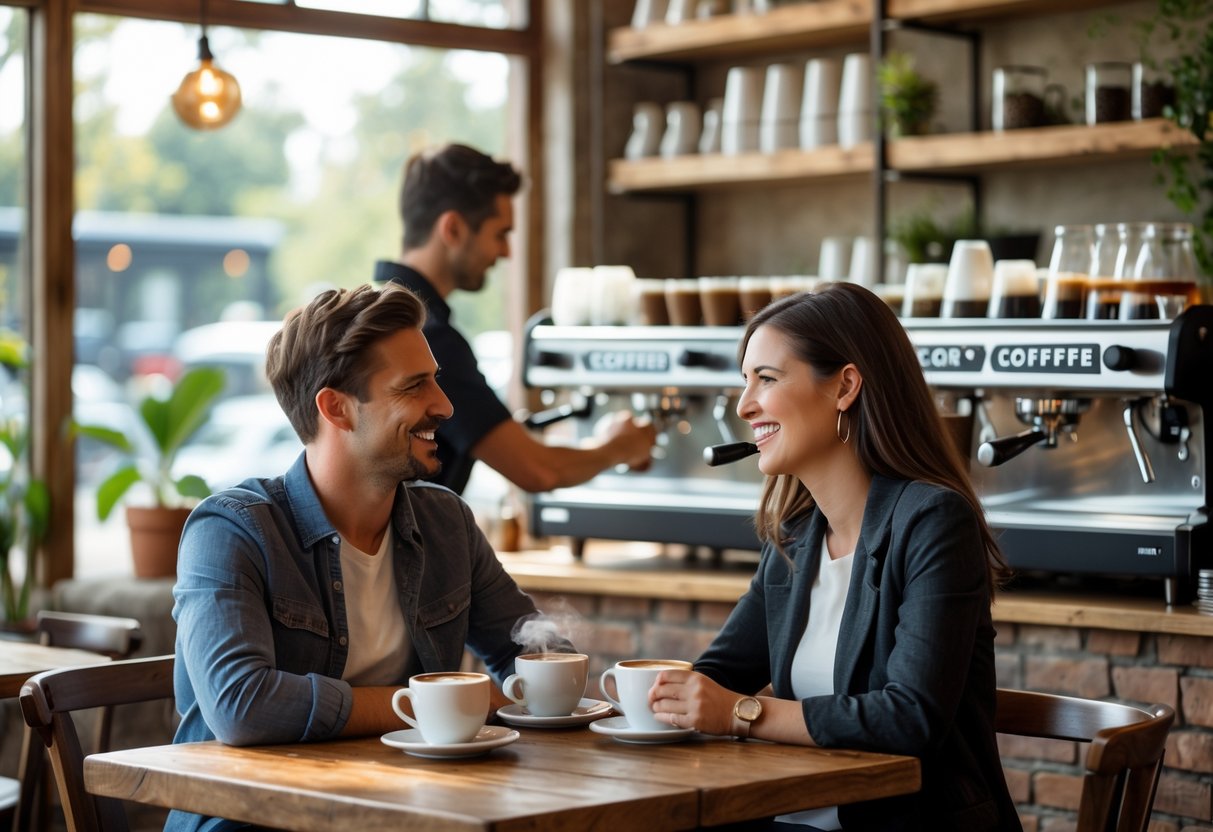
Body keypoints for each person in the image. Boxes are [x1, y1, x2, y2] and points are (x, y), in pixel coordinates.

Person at [169, 283, 555, 832]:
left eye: (437, 380)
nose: (444, 406)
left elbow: (534, 649)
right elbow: (242, 705)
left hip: (402, 811)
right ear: (337, 408)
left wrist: (544, 682)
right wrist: (432, 703)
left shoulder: (445, 521)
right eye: (414, 386)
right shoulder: (231, 530)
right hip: (251, 822)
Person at [647, 282, 1021, 831]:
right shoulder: (796, 536)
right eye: (744, 382)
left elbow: (911, 718)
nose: (745, 405)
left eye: (766, 380)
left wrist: (742, 713)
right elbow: (718, 675)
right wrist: (657, 699)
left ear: (845, 385)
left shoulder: (934, 521)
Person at [374, 142, 656, 495]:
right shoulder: (426, 339)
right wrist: (621, 447)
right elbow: (539, 471)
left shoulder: (375, 317)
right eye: (500, 234)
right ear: (453, 229)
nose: (506, 252)